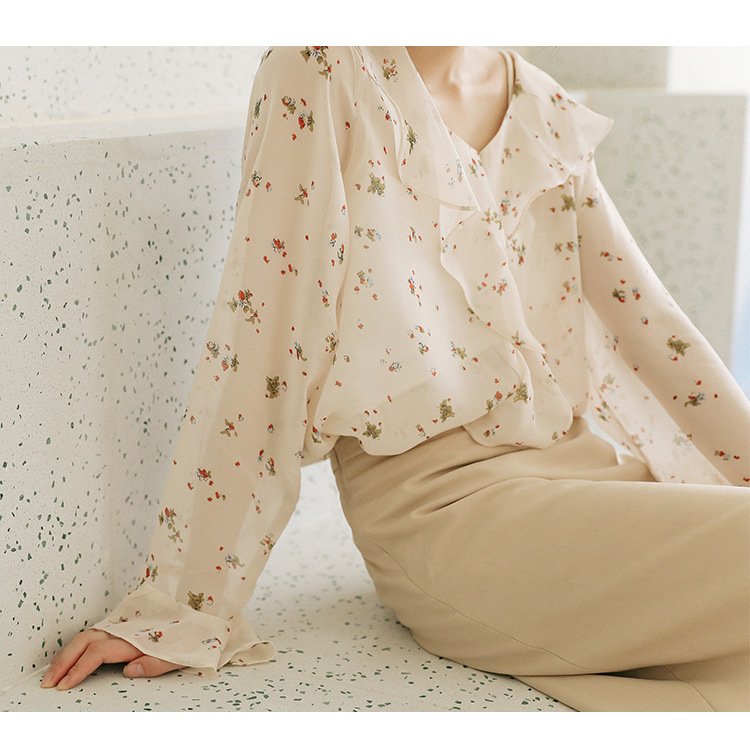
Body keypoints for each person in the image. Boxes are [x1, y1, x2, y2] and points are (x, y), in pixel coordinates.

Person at [41, 46, 750, 711]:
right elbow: (264, 339)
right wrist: (186, 601)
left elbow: (650, 324)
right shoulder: (322, 70)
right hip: (448, 519)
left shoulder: (538, 102)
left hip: (584, 474)